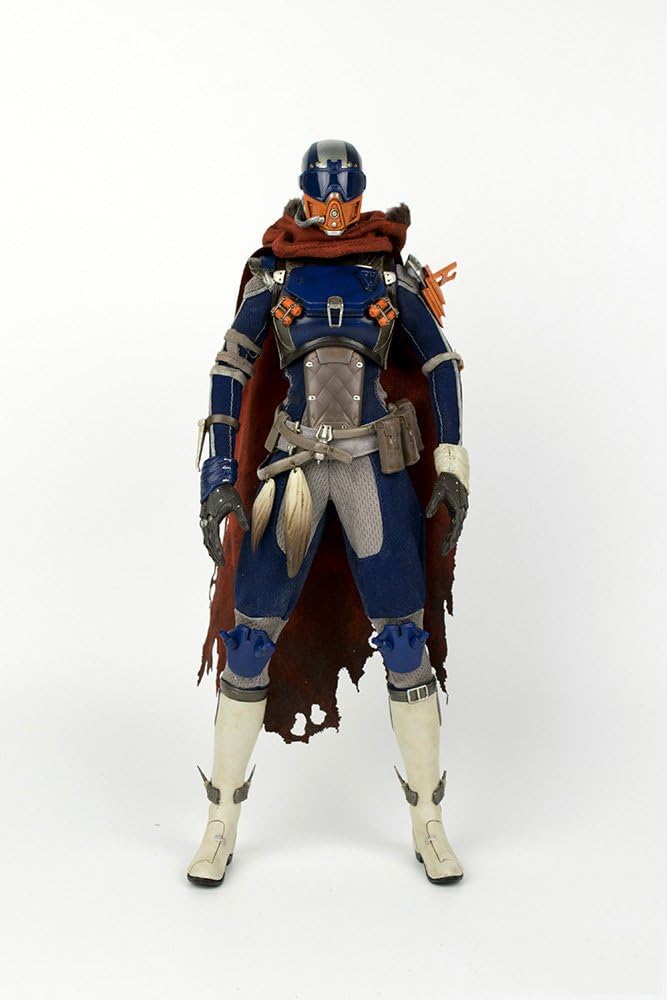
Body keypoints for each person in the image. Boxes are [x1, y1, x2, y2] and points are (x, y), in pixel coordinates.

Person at [188, 140, 469, 886]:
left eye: (345, 195)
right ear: (307, 195)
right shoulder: (275, 271)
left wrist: (450, 463)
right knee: (250, 642)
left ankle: (428, 821)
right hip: (294, 471)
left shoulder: (389, 272)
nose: (337, 209)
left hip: (373, 468)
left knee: (404, 640)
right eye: (325, 196)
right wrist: (218, 474)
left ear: (360, 193)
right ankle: (219, 823)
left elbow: (439, 362)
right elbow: (230, 368)